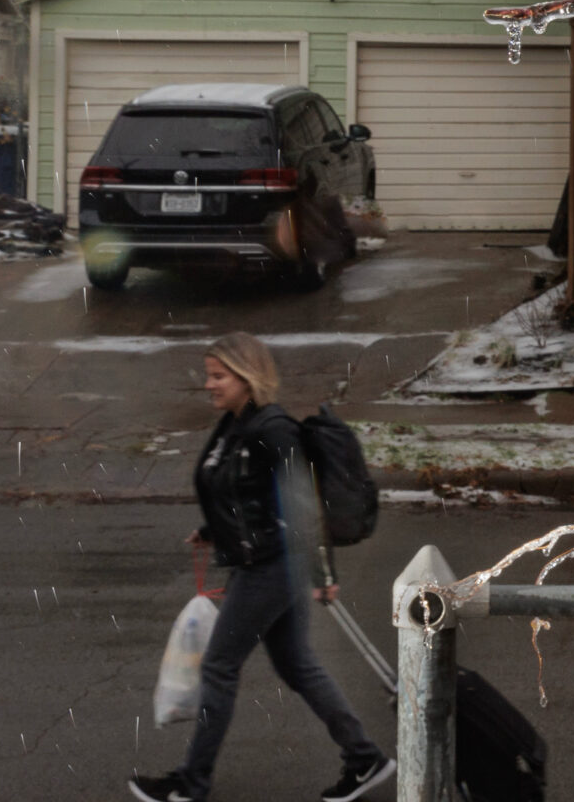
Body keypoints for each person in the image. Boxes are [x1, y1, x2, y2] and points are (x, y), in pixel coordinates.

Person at [130, 332, 393, 802]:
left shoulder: (273, 430)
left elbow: (303, 504)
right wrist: (215, 530)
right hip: (264, 558)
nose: (209, 385)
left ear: (247, 378)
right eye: (208, 375)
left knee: (219, 667)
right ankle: (364, 758)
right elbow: (240, 490)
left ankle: (191, 785)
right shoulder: (236, 423)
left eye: (218, 376)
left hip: (273, 564)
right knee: (297, 665)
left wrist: (324, 573)